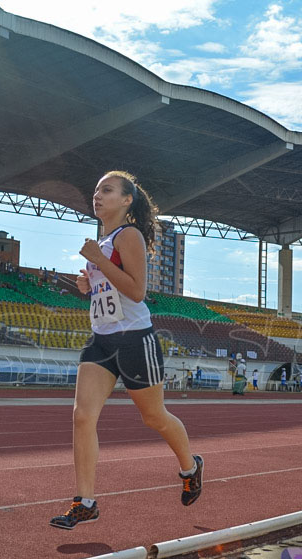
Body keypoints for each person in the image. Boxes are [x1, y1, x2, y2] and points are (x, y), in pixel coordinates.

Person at [49, 171, 203, 530]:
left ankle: (190, 466)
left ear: (126, 200)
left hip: (136, 339)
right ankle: (85, 502)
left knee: (154, 417)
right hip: (101, 341)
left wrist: (99, 264)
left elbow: (136, 292)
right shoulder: (100, 243)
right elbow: (110, 293)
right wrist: (88, 285)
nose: (97, 195)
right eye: (96, 189)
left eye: (107, 190)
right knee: (82, 416)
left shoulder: (127, 235)